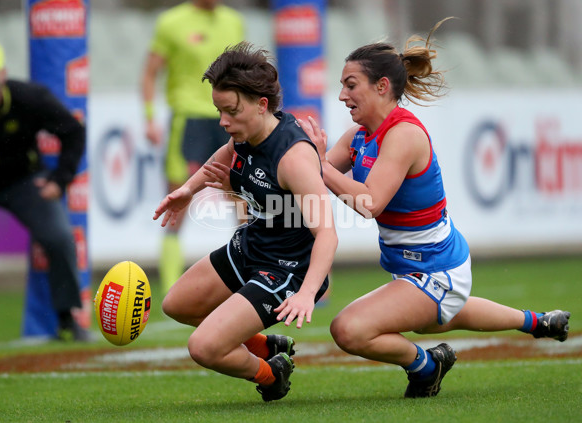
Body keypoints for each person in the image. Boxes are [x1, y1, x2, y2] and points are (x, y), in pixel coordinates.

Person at [298, 19, 571, 398]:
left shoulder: (404, 135)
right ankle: (536, 322)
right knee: (439, 317)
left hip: (435, 269)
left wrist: (320, 165)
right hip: (419, 267)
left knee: (348, 329)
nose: (342, 95)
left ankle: (427, 366)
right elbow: (313, 178)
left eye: (350, 85)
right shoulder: (360, 136)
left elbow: (369, 203)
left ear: (381, 87)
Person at [153, 42, 338, 401]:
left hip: (287, 268)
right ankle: (267, 347)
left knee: (204, 347)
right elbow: (223, 155)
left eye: (231, 111)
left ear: (261, 104)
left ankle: (272, 375)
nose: (223, 122)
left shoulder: (293, 158)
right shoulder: (246, 133)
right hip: (253, 246)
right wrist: (189, 190)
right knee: (178, 305)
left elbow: (327, 234)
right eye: (219, 111)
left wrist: (306, 293)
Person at [0, 36, 88, 341]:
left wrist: (59, 179)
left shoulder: (29, 98)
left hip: (22, 182)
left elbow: (73, 131)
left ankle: (68, 319)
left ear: (3, 74)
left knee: (59, 238)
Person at [142, 0, 244, 292]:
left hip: (230, 119)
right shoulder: (171, 22)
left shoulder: (233, 21)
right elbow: (150, 72)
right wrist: (149, 118)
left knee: (242, 197)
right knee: (178, 198)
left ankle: (250, 272)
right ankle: (172, 286)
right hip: (188, 120)